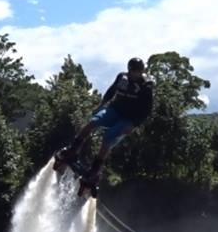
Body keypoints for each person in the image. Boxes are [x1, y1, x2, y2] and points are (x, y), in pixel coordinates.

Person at [55, 57, 155, 188]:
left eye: (138, 72)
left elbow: (147, 110)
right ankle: (73, 150)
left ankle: (95, 171)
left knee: (108, 137)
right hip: (114, 110)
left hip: (128, 119)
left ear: (142, 71)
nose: (135, 74)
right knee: (92, 122)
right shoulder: (122, 77)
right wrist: (101, 105)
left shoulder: (146, 86)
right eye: (133, 71)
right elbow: (111, 91)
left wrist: (134, 125)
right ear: (129, 70)